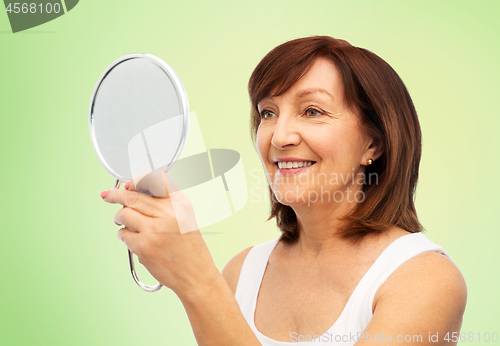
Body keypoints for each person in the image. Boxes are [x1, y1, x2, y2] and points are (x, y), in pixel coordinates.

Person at [101, 36, 467, 345]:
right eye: (267, 113)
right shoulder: (243, 272)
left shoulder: (426, 280)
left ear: (373, 143)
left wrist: (197, 280)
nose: (279, 136)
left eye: (312, 111)